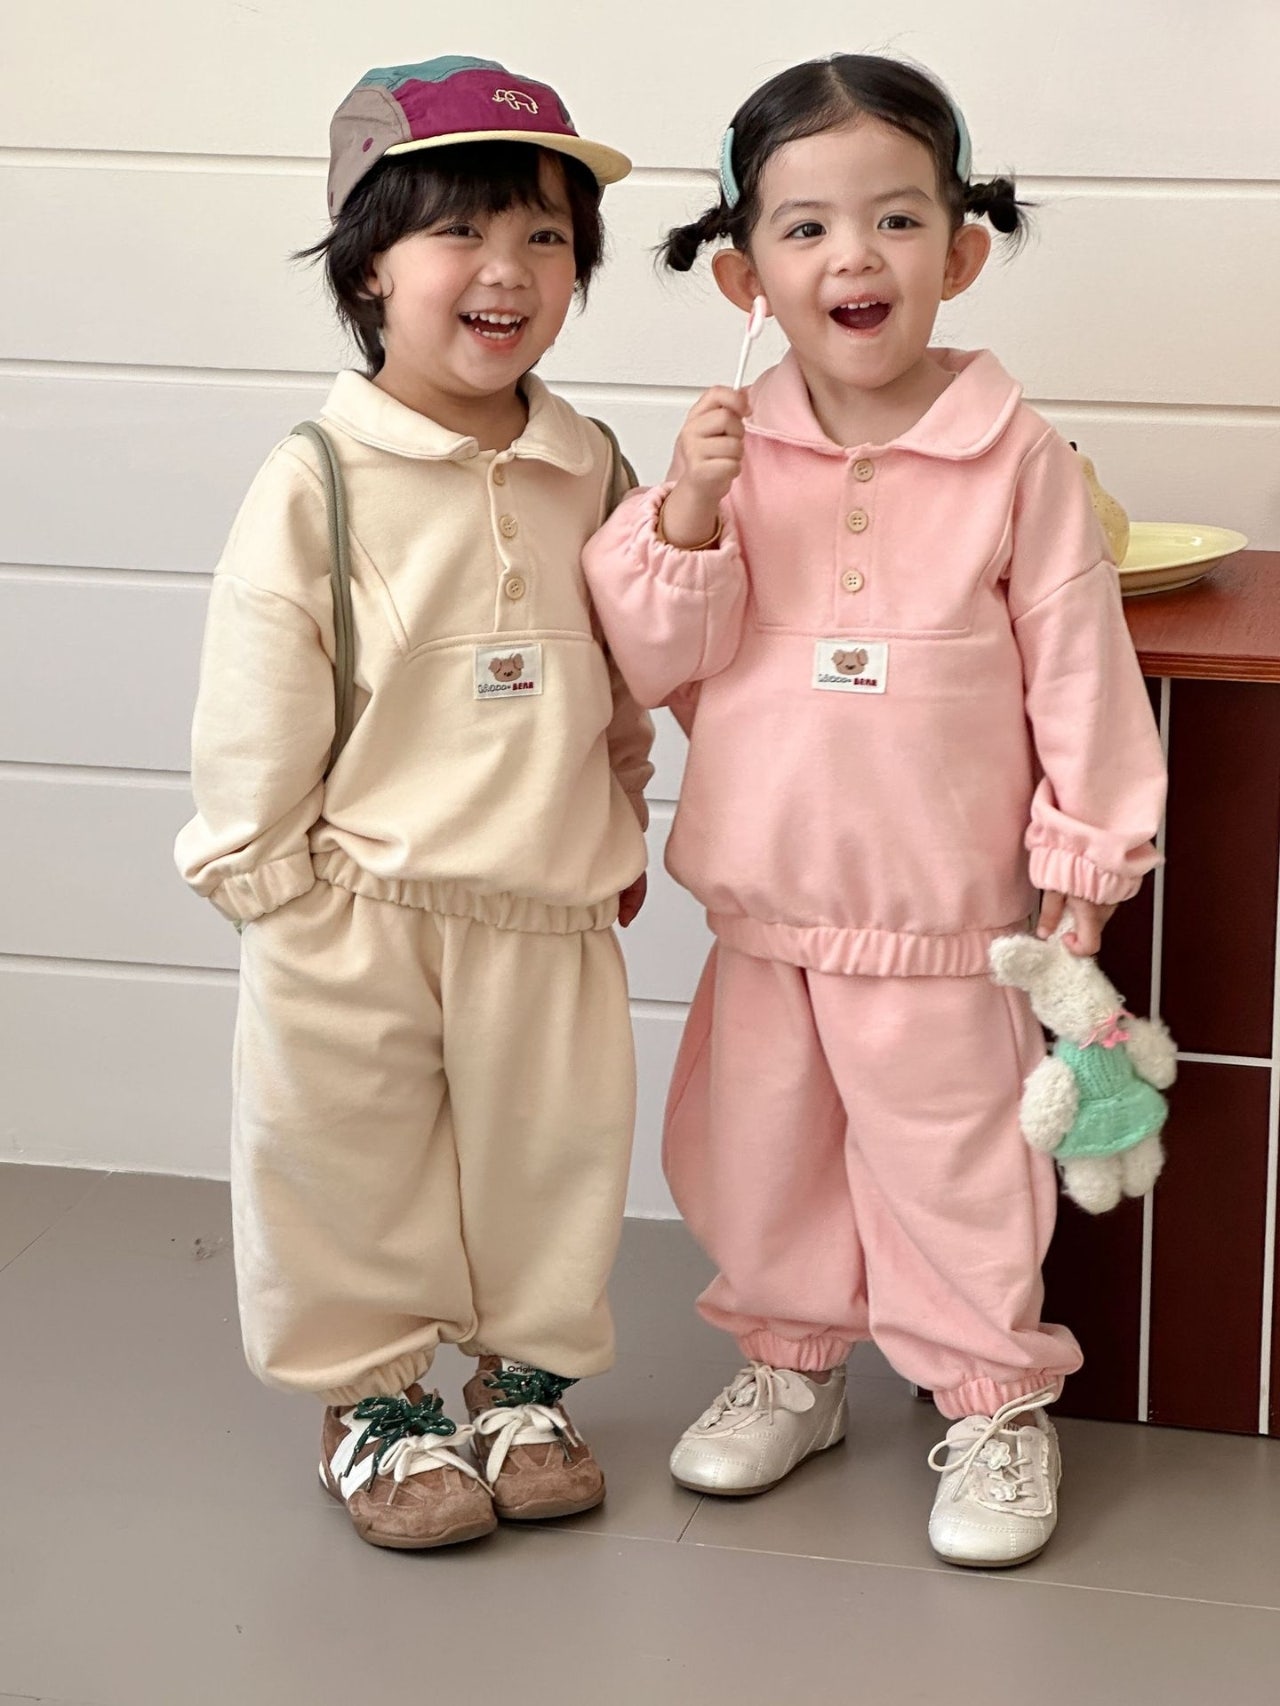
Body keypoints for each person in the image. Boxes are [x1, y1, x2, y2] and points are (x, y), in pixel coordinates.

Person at [583, 52, 1165, 1567]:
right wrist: (688, 510)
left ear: (959, 254)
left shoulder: (1015, 456)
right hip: (768, 903)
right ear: (744, 275)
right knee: (759, 1154)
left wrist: (1090, 851)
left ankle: (991, 1397)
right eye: (807, 227)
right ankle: (792, 1360)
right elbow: (652, 658)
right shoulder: (725, 455)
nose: (856, 256)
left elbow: (1081, 667)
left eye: (898, 220)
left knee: (958, 1169)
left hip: (942, 918)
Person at [175, 55, 652, 1551]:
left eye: (545, 236)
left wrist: (618, 819)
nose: (507, 270)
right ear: (369, 262)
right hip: (357, 902)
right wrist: (270, 886)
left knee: (551, 1152)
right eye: (461, 230)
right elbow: (258, 694)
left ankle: (525, 1381)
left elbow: (620, 681)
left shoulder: (590, 466)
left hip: (546, 902)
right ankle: (373, 1403)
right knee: (345, 1159)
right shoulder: (320, 474)